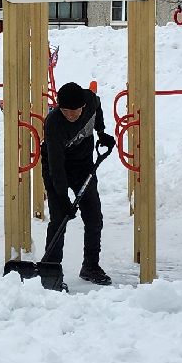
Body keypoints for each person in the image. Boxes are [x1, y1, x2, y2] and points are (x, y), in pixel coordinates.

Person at [39, 82, 114, 289]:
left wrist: (101, 131)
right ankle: (51, 270)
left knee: (94, 217)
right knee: (59, 219)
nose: (70, 115)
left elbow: (97, 106)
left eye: (75, 111)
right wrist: (63, 199)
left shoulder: (90, 101)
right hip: (57, 167)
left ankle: (90, 266)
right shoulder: (53, 124)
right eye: (65, 111)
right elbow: (56, 168)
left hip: (83, 166)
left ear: (82, 106)